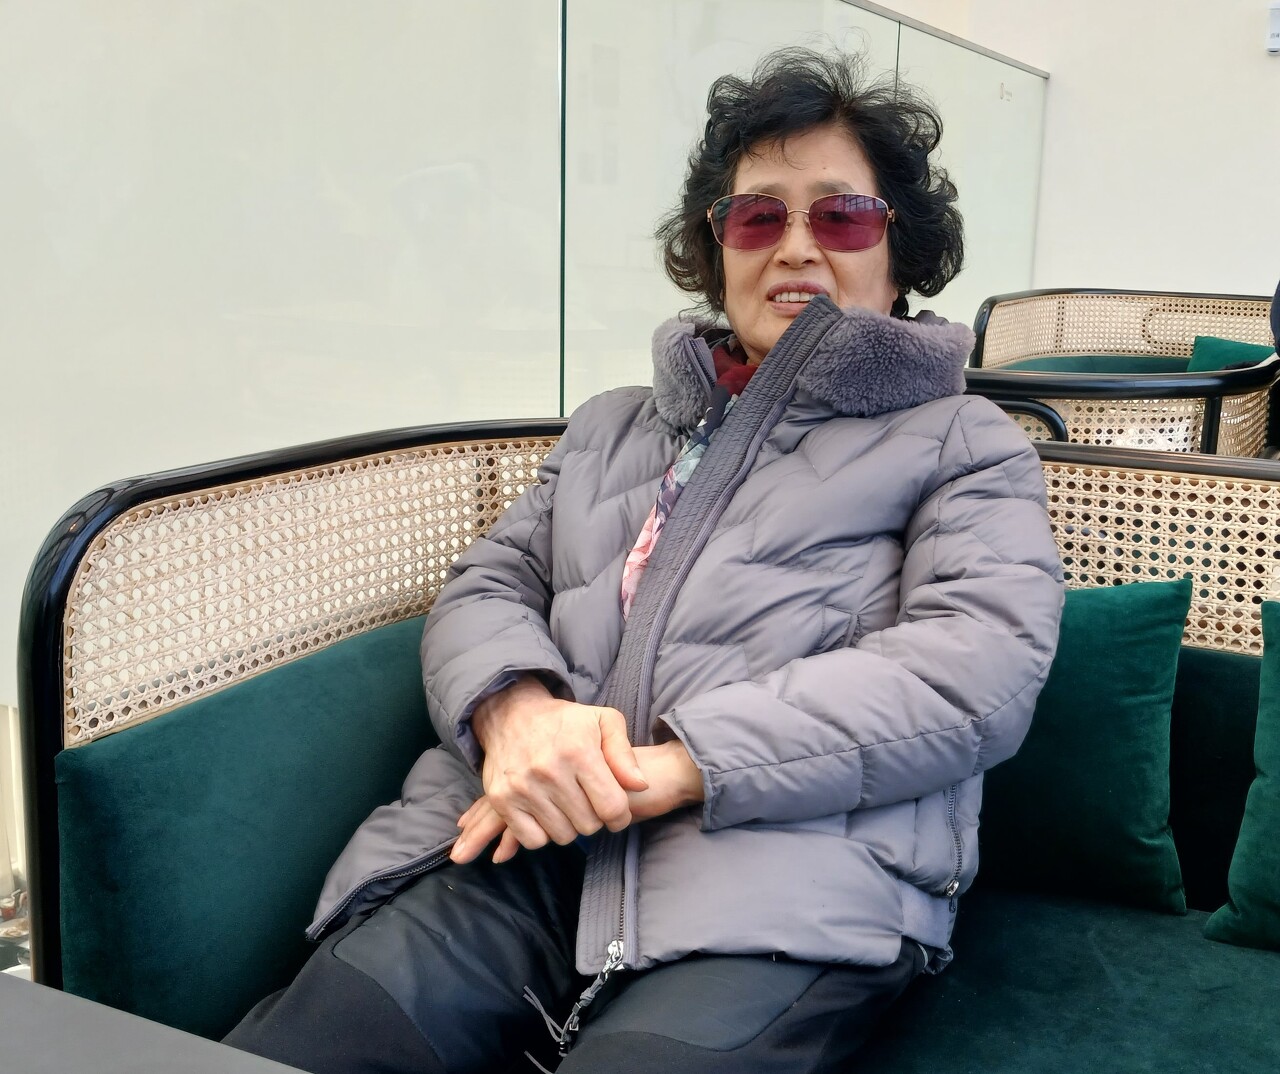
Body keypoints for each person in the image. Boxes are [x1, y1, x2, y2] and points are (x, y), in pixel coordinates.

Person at [225, 48, 1064, 1074]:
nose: (796, 246)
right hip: (519, 842)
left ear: (900, 253)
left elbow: (971, 670)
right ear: (716, 247)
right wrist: (516, 716)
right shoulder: (612, 426)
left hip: (784, 878)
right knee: (314, 1047)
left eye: (842, 216)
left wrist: (669, 770)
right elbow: (490, 584)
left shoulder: (965, 442)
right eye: (757, 217)